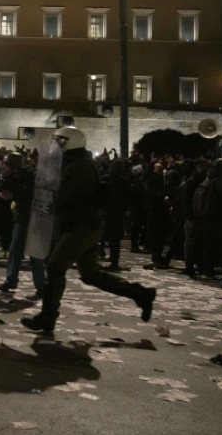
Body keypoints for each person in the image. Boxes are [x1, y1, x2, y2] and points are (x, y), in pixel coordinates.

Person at [21, 127, 156, 335]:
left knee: (56, 267)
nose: (57, 144)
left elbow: (60, 196)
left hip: (80, 227)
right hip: (84, 225)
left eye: (61, 140)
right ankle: (141, 294)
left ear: (71, 142)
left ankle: (47, 316)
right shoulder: (80, 163)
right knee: (91, 274)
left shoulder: (77, 167)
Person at [0, 152, 44, 297]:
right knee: (14, 251)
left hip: (32, 219)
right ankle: (11, 280)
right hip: (22, 219)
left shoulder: (28, 177)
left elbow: (24, 195)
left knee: (35, 256)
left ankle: (41, 287)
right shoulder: (17, 177)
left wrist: (12, 192)